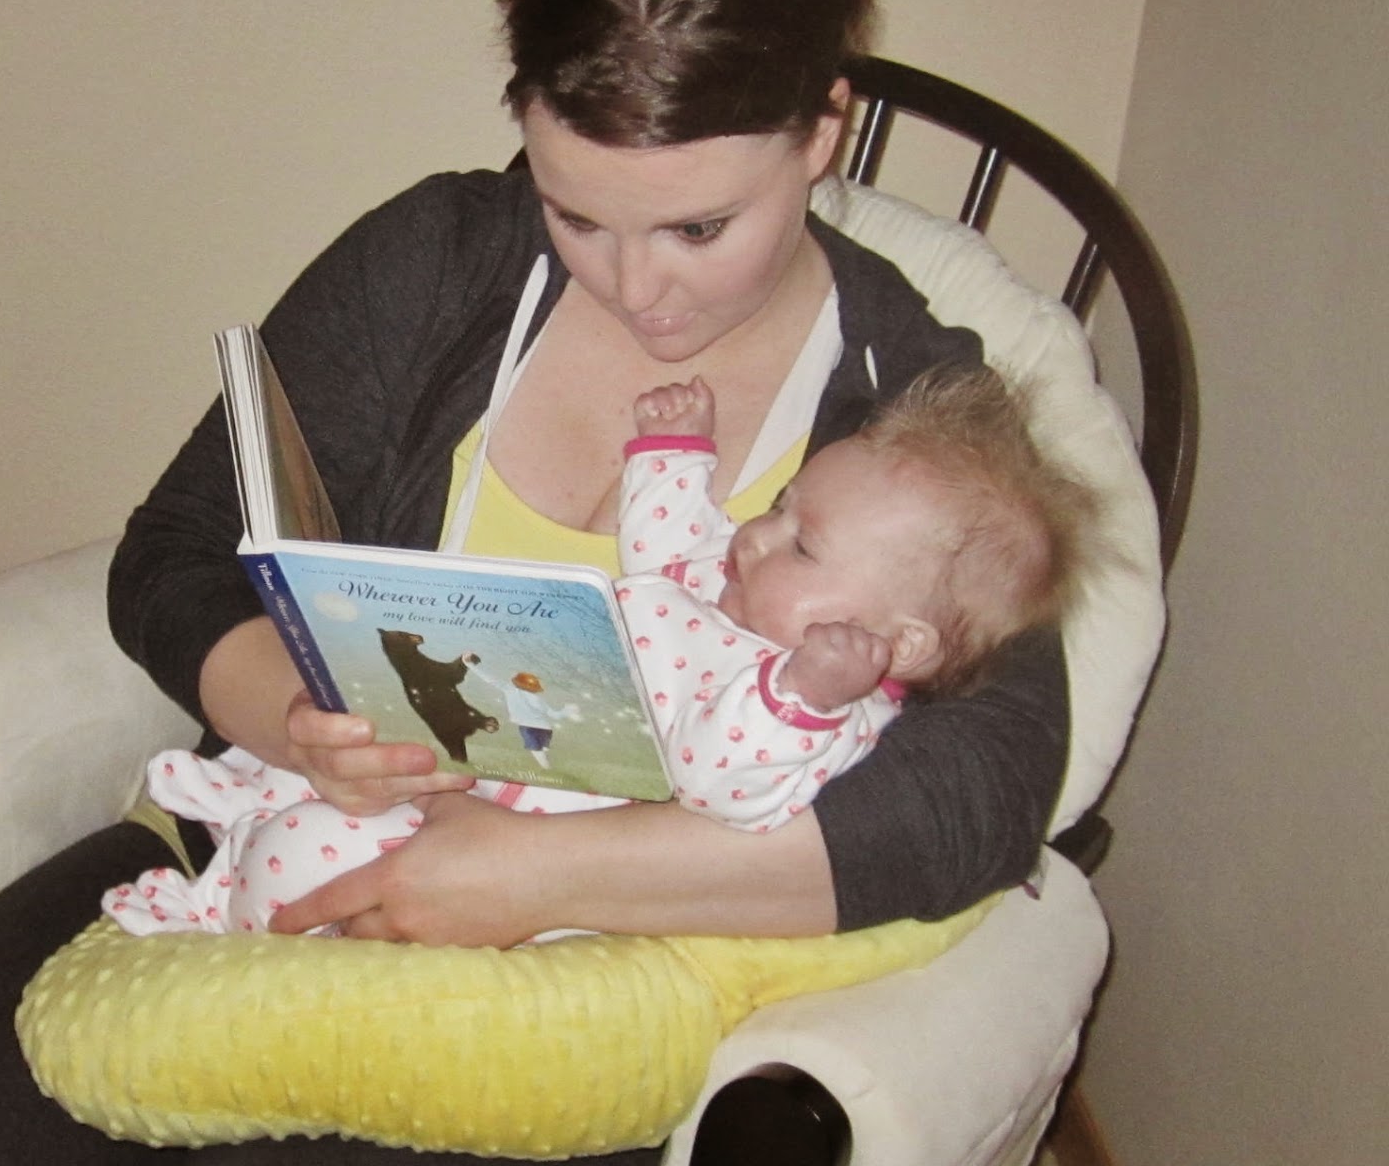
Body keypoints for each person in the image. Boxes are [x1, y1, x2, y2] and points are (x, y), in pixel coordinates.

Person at [0, 0, 1072, 1166]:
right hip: (264, 844)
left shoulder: (914, 414)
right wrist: (297, 719)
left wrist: (543, 874)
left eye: (697, 228)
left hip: (578, 991)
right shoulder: (438, 258)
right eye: (577, 213)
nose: (638, 290)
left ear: (821, 131)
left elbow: (984, 796)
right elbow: (178, 549)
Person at [107, 365, 1092, 940]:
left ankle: (230, 919)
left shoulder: (818, 704)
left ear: (898, 641)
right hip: (484, 760)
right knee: (322, 782)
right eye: (782, 506)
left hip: (533, 833)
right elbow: (664, 543)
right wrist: (675, 456)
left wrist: (800, 695)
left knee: (306, 855)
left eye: (804, 543)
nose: (758, 535)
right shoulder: (728, 586)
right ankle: (238, 835)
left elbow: (724, 777)